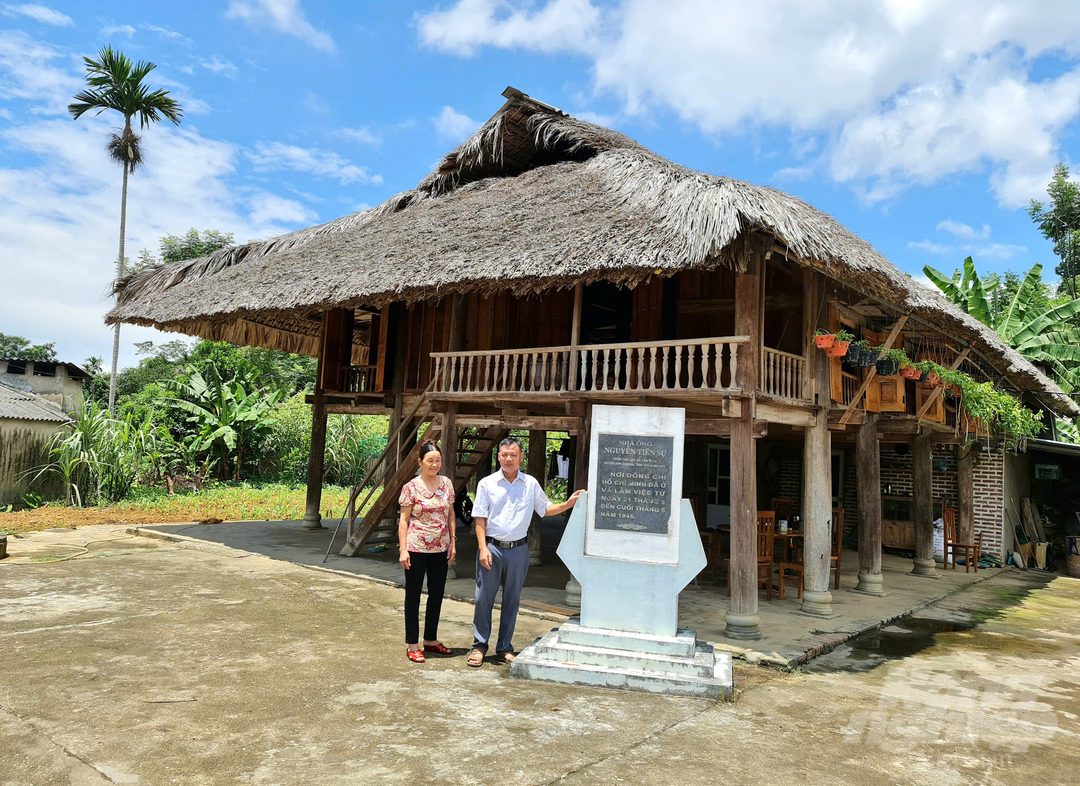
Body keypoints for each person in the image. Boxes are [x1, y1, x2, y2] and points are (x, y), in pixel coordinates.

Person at [466, 436, 582, 667]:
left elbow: (545, 508)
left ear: (521, 458)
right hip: (492, 547)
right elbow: (480, 517)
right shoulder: (487, 484)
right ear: (499, 457)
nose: (508, 459)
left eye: (513, 455)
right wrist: (482, 548)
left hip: (519, 550)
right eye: (504, 455)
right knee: (483, 599)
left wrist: (568, 504)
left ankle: (505, 647)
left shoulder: (530, 483)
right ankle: (479, 646)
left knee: (512, 600)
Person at [398, 440, 456, 663]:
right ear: (420, 462)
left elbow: (450, 514)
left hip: (441, 548)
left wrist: (453, 541)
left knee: (437, 594)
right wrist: (403, 550)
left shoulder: (447, 484)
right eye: (430, 460)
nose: (434, 465)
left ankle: (430, 640)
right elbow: (404, 521)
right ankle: (412, 644)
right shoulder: (411, 487)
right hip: (416, 548)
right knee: (413, 597)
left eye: (438, 460)